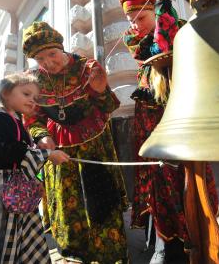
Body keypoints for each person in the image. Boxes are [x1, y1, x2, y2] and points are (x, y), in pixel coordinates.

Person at [120, 0, 219, 264]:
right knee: (159, 178)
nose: (133, 24)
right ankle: (166, 241)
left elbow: (175, 53)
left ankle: (199, 236)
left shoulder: (179, 32)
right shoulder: (138, 43)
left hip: (178, 116)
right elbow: (153, 53)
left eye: (140, 17)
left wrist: (168, 23)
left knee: (187, 175)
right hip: (151, 124)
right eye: (130, 19)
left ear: (154, 10)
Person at [22, 21, 129, 264]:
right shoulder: (33, 80)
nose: (49, 62)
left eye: (52, 54)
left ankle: (110, 254)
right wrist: (41, 136)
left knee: (100, 200)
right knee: (67, 205)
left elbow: (109, 106)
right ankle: (73, 255)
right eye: (40, 58)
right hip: (58, 152)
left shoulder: (87, 67)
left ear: (61, 47)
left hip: (94, 147)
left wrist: (100, 90)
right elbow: (31, 117)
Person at [0, 72, 70, 263]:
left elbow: (20, 154)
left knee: (18, 232)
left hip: (17, 187)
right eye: (26, 94)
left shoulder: (16, 120)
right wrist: (47, 154)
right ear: (6, 93)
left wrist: (35, 178)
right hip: (0, 187)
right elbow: (10, 151)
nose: (32, 100)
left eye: (35, 97)